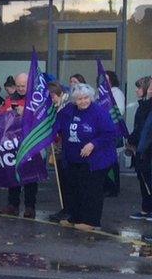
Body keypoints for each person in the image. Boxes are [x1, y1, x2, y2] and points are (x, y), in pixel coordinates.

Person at [54, 84, 118, 231]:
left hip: (96, 160)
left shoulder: (99, 112)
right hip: (73, 158)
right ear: (74, 100)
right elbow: (57, 125)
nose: (83, 101)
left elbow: (109, 133)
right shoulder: (68, 110)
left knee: (91, 190)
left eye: (86, 98)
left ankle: (91, 221)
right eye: (79, 99)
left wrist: (93, 144)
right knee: (75, 188)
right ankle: (75, 217)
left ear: (91, 97)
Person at [0, 73, 37, 217]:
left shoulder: (36, 98)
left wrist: (25, 113)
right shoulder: (10, 99)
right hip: (13, 142)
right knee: (12, 174)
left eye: (23, 86)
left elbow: (42, 117)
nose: (20, 89)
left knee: (31, 176)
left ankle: (30, 206)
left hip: (31, 142)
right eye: (18, 86)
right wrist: (6, 114)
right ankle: (12, 204)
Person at [46, 81, 72, 223]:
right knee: (63, 181)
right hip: (61, 147)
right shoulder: (60, 106)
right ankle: (66, 208)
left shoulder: (66, 107)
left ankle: (68, 209)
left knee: (67, 181)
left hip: (66, 149)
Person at [127, 76, 152, 221]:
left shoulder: (148, 106)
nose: (137, 90)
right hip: (141, 149)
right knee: (143, 181)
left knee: (148, 179)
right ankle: (146, 208)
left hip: (148, 150)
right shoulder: (143, 106)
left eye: (139, 87)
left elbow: (145, 130)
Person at [105, 70, 125, 198]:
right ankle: (107, 186)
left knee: (112, 161)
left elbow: (120, 110)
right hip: (104, 130)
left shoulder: (116, 92)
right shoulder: (101, 93)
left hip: (113, 129)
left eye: (107, 79)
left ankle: (113, 188)